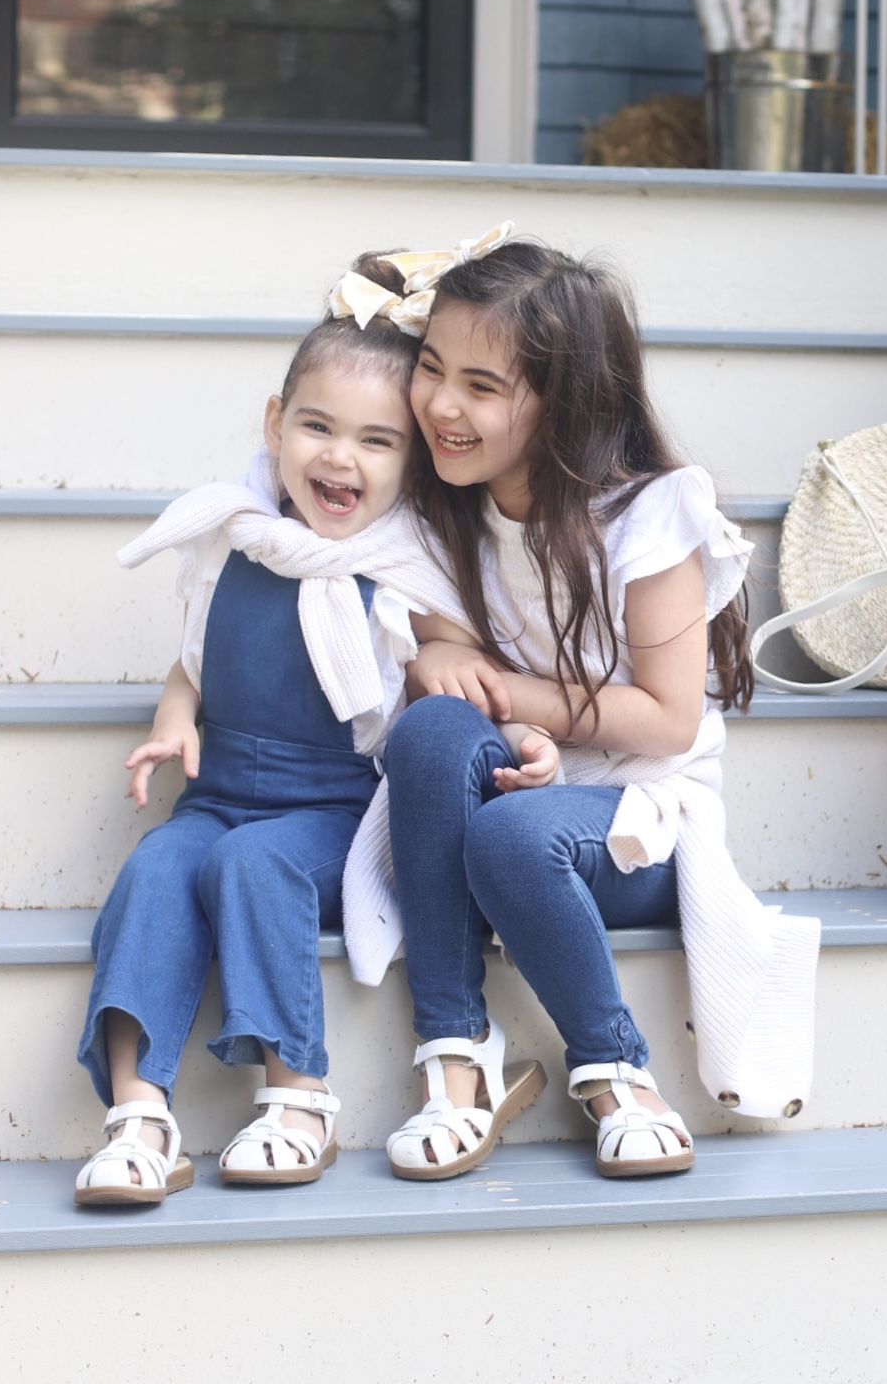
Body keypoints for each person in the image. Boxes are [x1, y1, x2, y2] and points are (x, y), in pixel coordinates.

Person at [73, 242, 556, 1207]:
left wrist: (518, 734)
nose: (340, 457)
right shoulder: (237, 540)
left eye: (377, 442)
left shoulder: (400, 568)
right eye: (317, 428)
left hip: (330, 818)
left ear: (411, 465)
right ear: (274, 426)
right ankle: (139, 1114)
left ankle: (297, 1095)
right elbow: (191, 662)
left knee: (251, 865)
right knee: (156, 868)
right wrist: (176, 722)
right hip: (215, 799)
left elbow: (460, 681)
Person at [342, 234, 821, 1184]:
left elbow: (667, 721)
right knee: (431, 729)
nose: (441, 403)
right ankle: (454, 1051)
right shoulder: (442, 513)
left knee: (514, 838)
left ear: (562, 403)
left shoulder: (648, 516)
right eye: (430, 368)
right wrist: (451, 668)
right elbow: (459, 693)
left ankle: (616, 1073)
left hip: (638, 820)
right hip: (516, 772)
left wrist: (507, 693)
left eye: (482, 386)